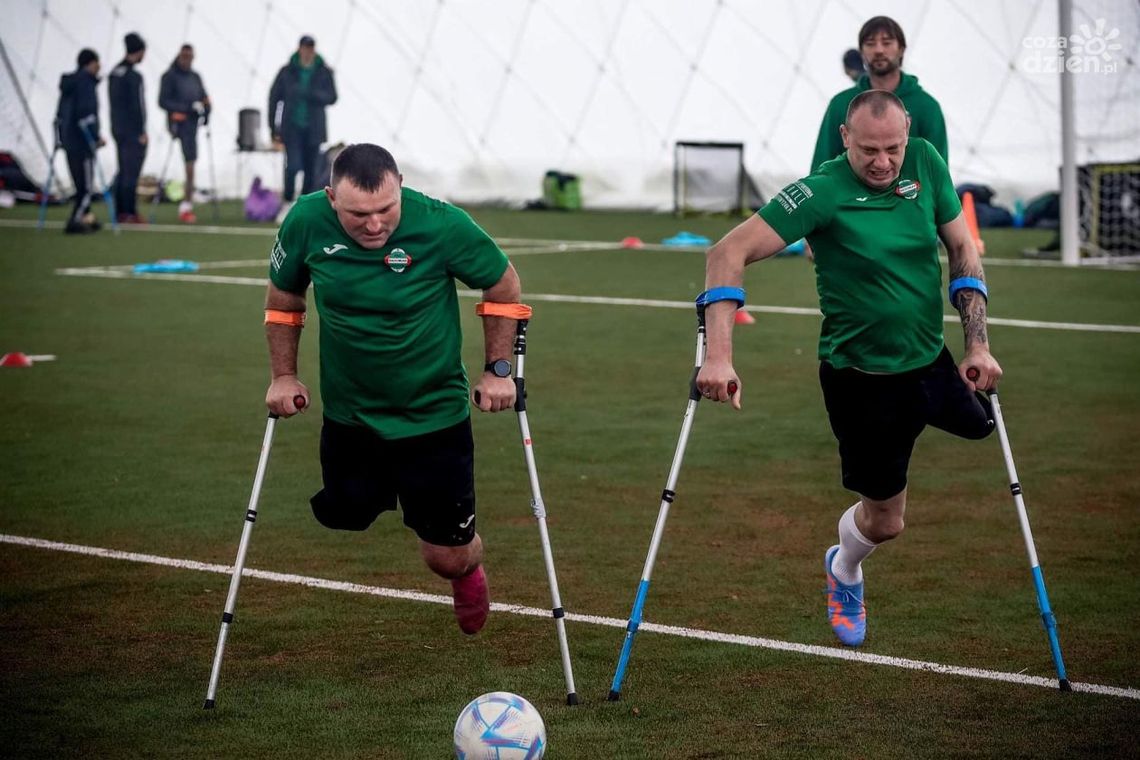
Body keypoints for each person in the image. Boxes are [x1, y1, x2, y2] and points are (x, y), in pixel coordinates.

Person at [697, 91, 1000, 648]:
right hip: (862, 382)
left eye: (892, 148)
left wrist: (976, 345)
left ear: (907, 136)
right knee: (887, 522)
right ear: (845, 139)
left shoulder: (926, 162)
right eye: (868, 151)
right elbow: (725, 253)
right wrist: (719, 357)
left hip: (930, 362)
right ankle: (845, 569)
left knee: (986, 425)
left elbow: (962, 249)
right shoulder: (821, 191)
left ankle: (934, 408)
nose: (883, 161)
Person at [264, 143, 521, 636]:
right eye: (359, 214)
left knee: (446, 557)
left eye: (386, 209)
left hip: (434, 415)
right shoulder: (305, 220)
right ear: (330, 198)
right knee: (345, 515)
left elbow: (504, 283)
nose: (375, 225)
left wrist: (498, 369)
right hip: (351, 416)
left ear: (401, 185)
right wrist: (283, 375)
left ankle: (467, 571)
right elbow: (283, 297)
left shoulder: (441, 223)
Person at [812, 16, 948, 172]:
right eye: (870, 44)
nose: (879, 50)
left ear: (901, 49)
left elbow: (938, 174)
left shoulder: (926, 107)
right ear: (861, 52)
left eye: (887, 43)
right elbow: (821, 166)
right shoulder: (841, 104)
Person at [268, 35, 338, 218]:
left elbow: (332, 97)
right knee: (292, 166)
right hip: (291, 128)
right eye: (305, 48)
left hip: (314, 129)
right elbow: (274, 99)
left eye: (310, 48)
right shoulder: (287, 71)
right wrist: (273, 128)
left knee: (310, 169)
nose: (307, 51)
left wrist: (311, 94)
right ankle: (288, 200)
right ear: (299, 49)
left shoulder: (324, 71)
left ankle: (304, 205)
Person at [159, 44, 211, 224]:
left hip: (192, 124)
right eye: (185, 57)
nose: (187, 60)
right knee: (189, 162)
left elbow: (204, 96)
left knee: (191, 162)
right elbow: (163, 101)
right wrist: (185, 109)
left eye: (190, 57)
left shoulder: (195, 77)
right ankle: (186, 204)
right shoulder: (169, 76)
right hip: (178, 124)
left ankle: (187, 203)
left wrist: (206, 108)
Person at [55, 48, 105, 234]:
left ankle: (86, 216)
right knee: (85, 185)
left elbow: (60, 114)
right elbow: (87, 113)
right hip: (82, 142)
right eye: (97, 62)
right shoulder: (86, 83)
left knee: (80, 182)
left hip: (69, 140)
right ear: (90, 63)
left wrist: (60, 137)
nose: (99, 66)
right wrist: (95, 137)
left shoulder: (69, 84)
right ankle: (76, 219)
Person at [108, 32, 147, 224]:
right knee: (131, 172)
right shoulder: (133, 76)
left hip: (117, 129)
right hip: (132, 131)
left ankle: (119, 211)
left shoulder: (115, 72)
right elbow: (136, 106)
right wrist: (141, 131)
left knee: (122, 170)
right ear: (138, 51)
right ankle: (130, 212)